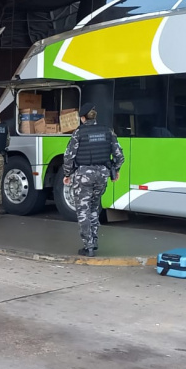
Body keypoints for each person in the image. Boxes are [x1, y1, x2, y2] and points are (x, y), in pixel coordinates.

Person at [63, 103, 125, 257]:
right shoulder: (107, 131)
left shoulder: (78, 133)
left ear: (83, 118)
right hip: (102, 176)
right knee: (94, 208)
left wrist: (67, 174)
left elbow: (69, 157)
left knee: (83, 210)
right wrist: (115, 170)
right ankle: (94, 241)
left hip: (83, 176)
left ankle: (88, 246)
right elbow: (119, 156)